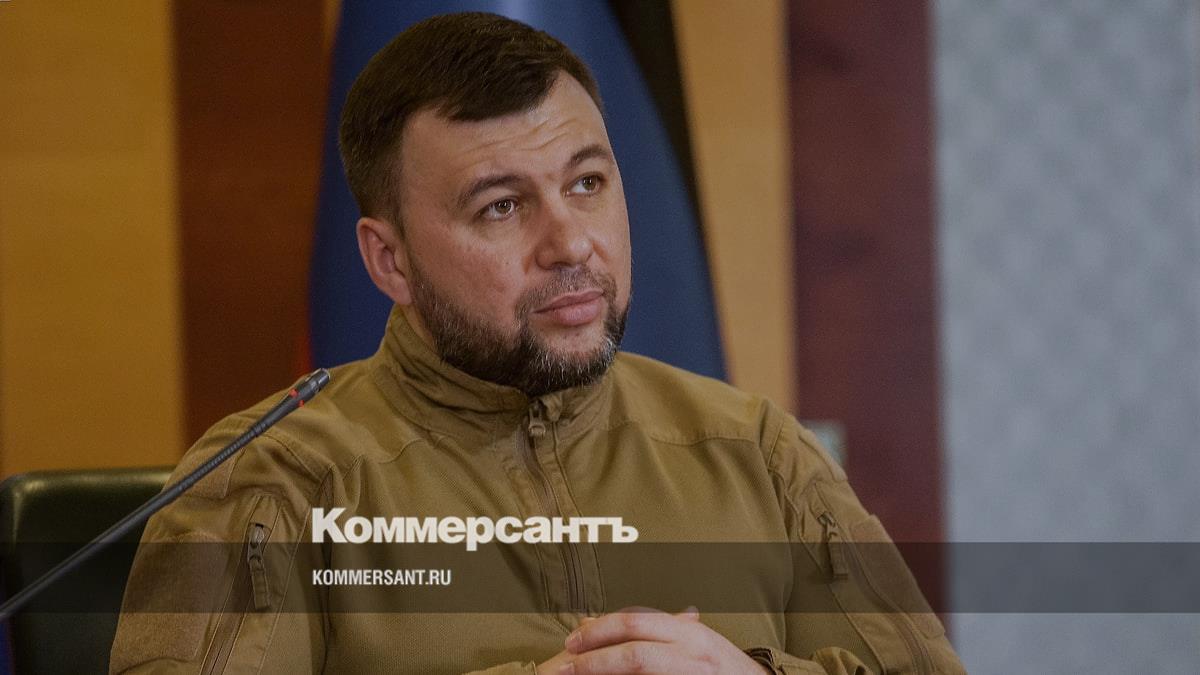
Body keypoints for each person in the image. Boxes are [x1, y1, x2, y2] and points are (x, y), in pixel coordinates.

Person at [111, 12, 964, 675]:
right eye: (502, 206)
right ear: (389, 260)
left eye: (587, 183)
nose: (571, 242)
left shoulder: (760, 455)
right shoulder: (271, 482)